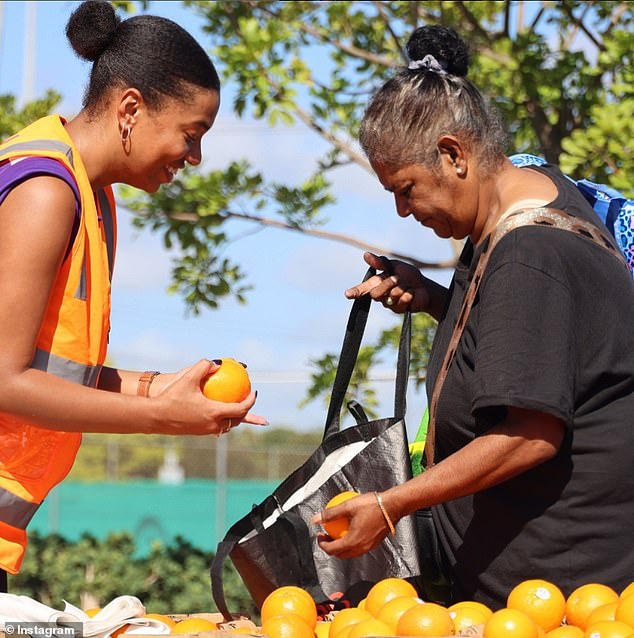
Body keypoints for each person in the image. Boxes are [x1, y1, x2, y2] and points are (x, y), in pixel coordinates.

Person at [313, 25, 634, 608]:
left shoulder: (529, 252)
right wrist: (436, 299)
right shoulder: (532, 198)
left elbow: (530, 436)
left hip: (560, 600)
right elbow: (538, 345)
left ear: (454, 153)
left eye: (406, 188)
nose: (403, 210)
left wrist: (392, 505)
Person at [0, 0, 267, 591]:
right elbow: (4, 378)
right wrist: (158, 416)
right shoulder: (46, 191)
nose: (194, 159)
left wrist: (157, 387)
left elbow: (53, 373)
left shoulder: (89, 195)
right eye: (191, 135)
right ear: (130, 108)